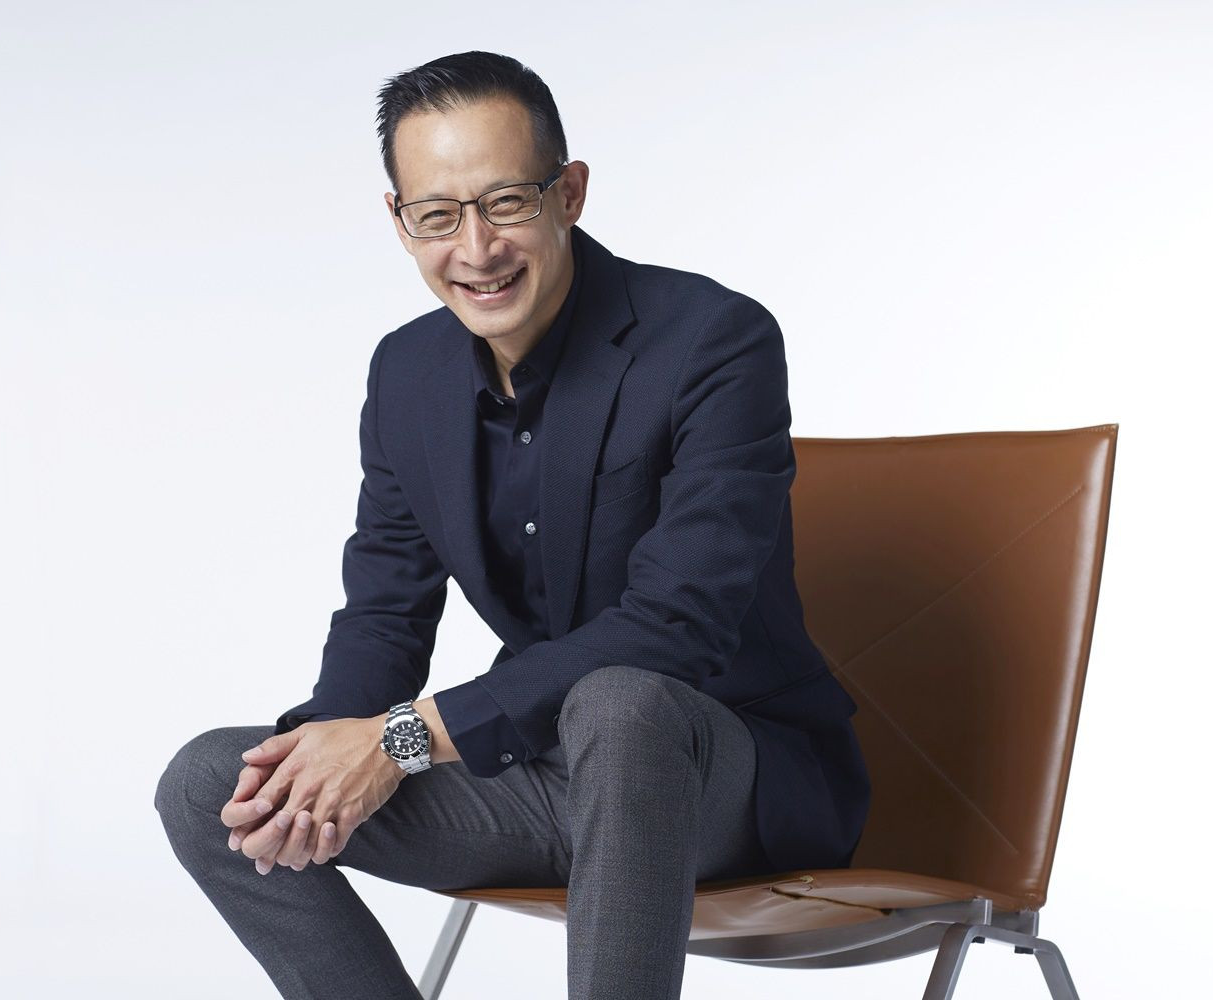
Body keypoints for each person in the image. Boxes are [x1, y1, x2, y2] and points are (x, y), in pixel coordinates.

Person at [155, 50, 869, 1000]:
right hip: (537, 776)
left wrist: (398, 740)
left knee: (621, 704)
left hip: (725, 781)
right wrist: (324, 753)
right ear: (399, 222)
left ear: (569, 193)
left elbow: (675, 628)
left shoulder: (712, 340)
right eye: (437, 216)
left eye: (505, 203)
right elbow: (384, 615)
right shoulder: (406, 373)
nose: (477, 249)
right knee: (213, 785)